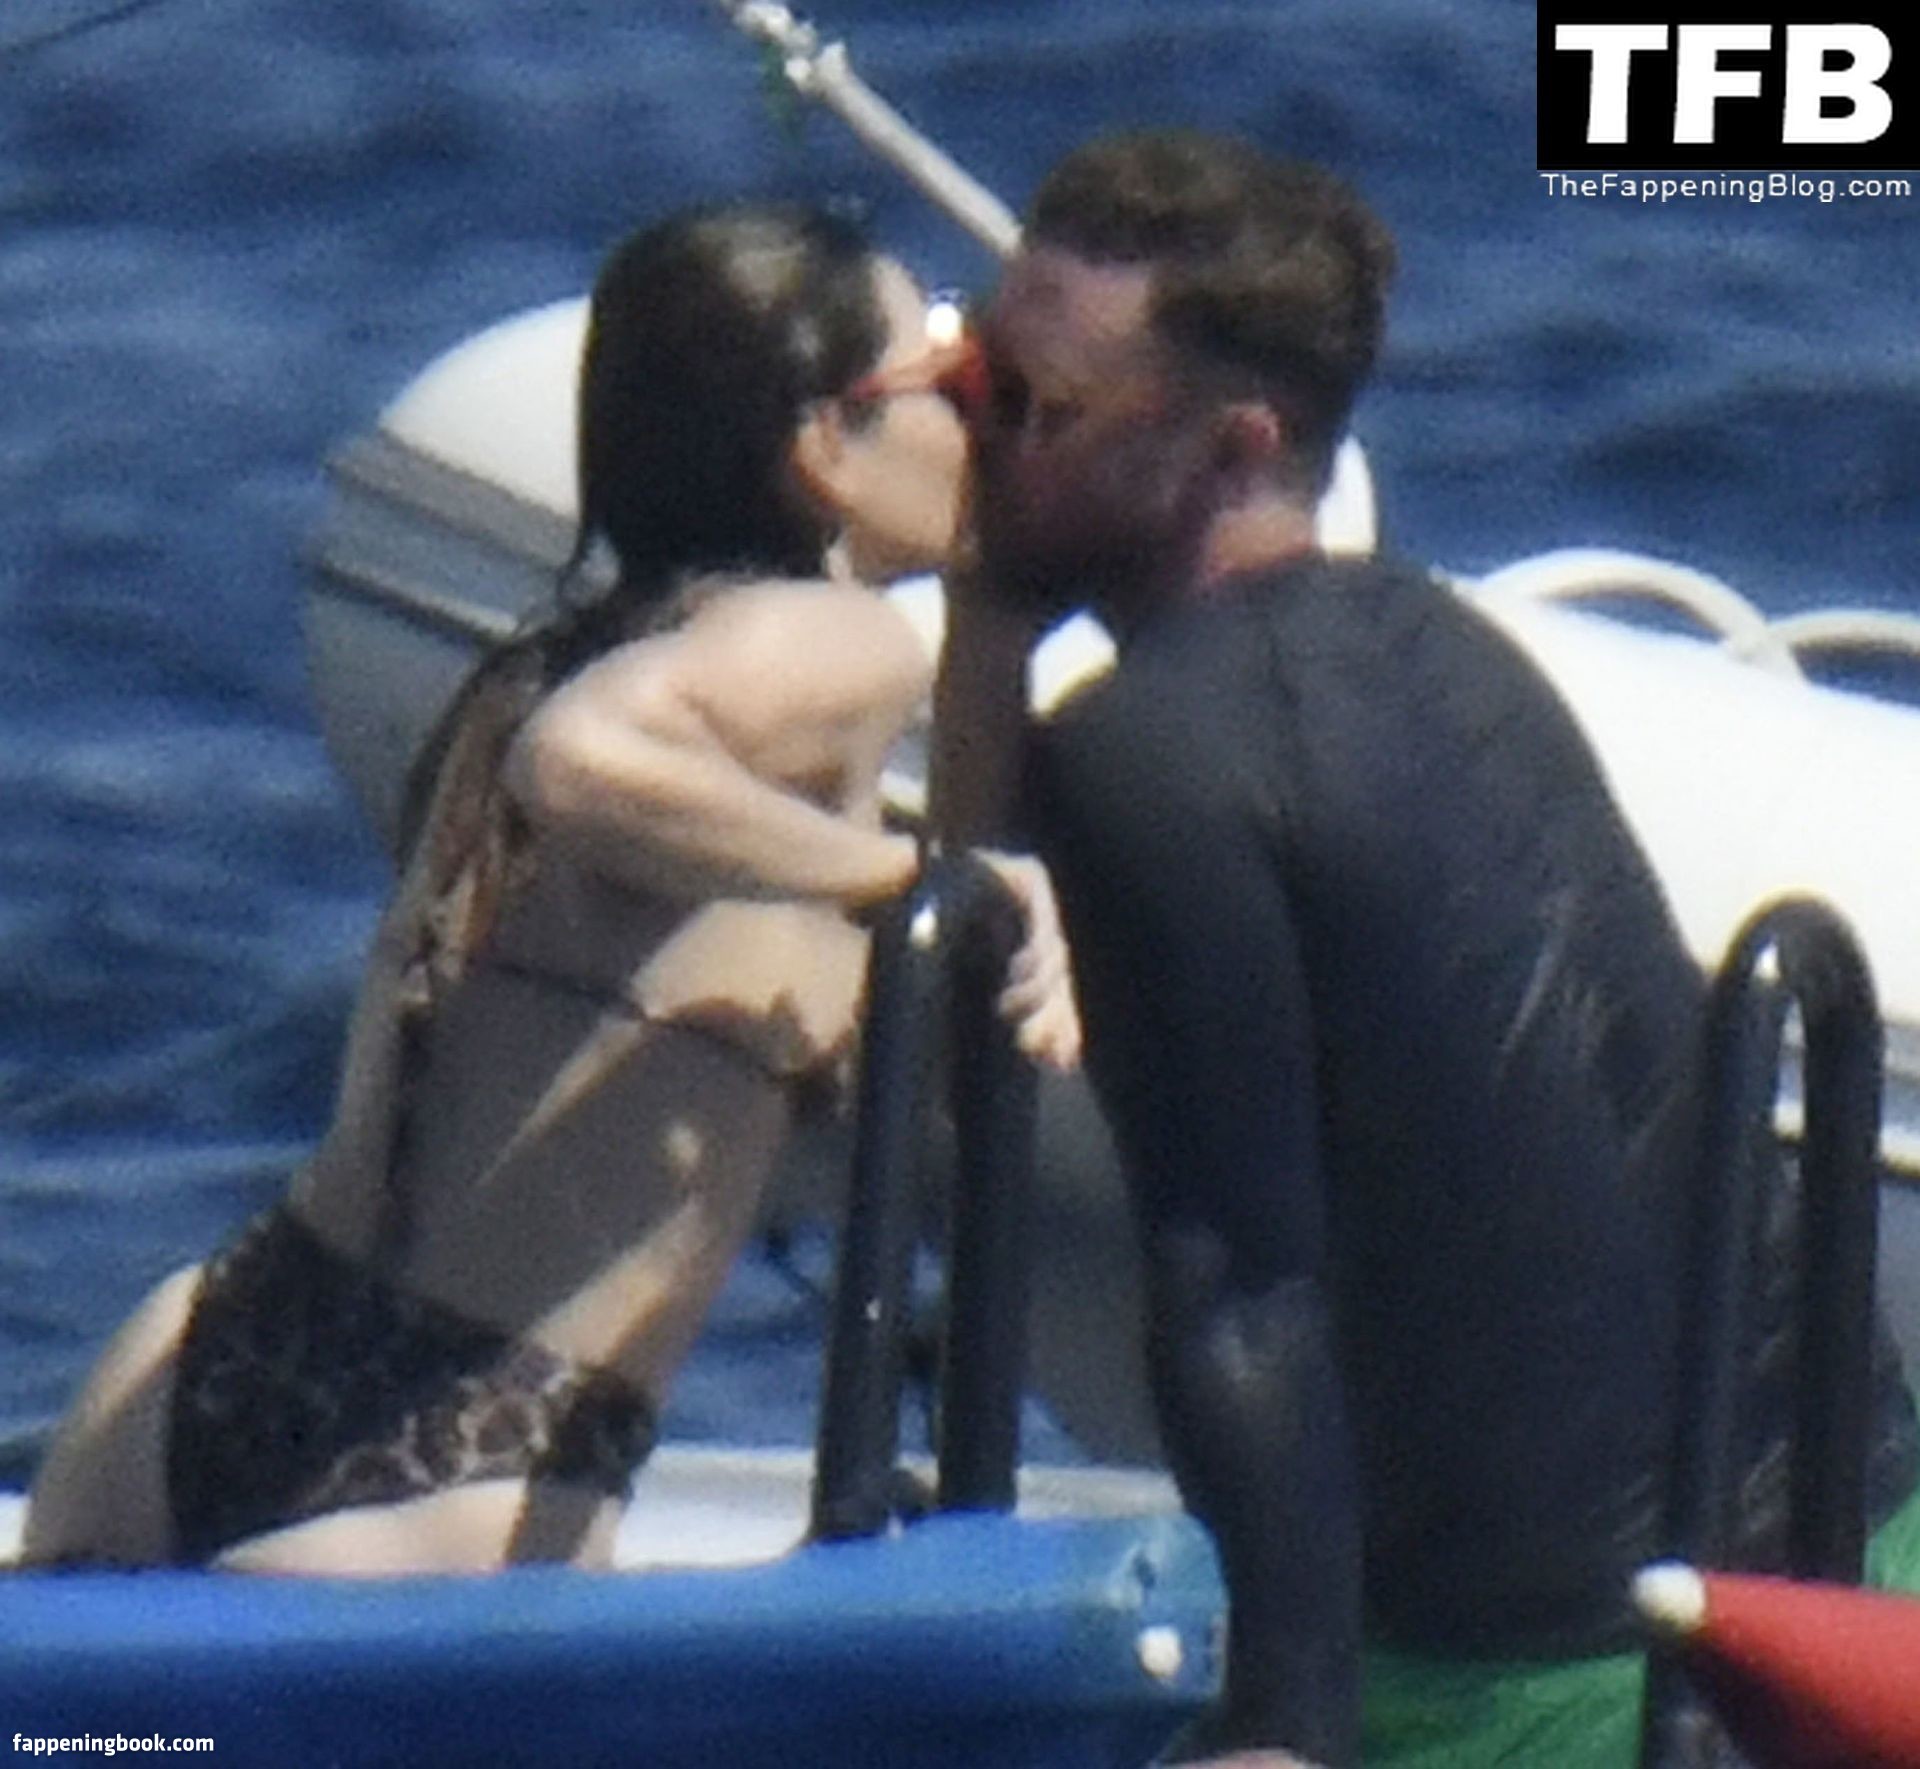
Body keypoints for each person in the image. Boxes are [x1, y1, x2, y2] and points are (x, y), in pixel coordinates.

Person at [932, 130, 1920, 1767]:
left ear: (1231, 445)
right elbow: (985, 886)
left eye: (1035, 407)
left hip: (1547, 1680)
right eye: (981, 382)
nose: (984, 435)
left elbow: (1238, 1281)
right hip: (1850, 1561)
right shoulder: (1432, 646)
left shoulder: (1157, 753)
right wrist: (986, 603)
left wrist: (1287, 1723)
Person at [24, 200, 1077, 1574]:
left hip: (214, 1350)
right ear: (825, 442)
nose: (986, 429)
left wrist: (991, 638)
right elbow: (581, 761)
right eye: (960, 379)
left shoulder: (543, 656)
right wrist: (911, 875)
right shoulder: (829, 639)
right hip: (480, 1432)